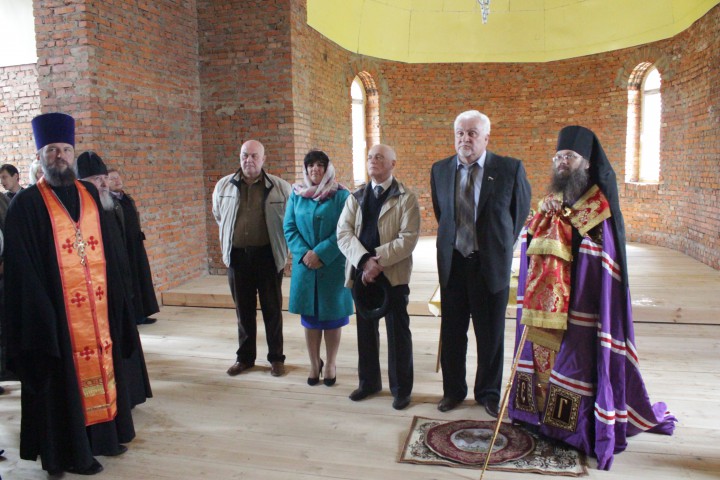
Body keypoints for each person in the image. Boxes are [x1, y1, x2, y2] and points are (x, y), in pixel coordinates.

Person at [508, 125, 677, 469]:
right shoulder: (552, 201)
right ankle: (536, 418)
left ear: (586, 163)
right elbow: (528, 239)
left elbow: (605, 256)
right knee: (541, 361)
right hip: (545, 307)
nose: (562, 162)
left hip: (581, 307)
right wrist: (539, 225)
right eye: (558, 157)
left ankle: (573, 431)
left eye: (569, 157)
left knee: (575, 365)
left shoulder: (598, 206)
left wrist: (568, 233)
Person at [4, 113, 137, 475]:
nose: (59, 156)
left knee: (105, 370)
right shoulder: (26, 205)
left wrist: (118, 297)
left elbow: (109, 248)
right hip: (57, 315)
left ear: (73, 153)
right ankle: (69, 454)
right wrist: (44, 313)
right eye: (52, 150)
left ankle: (105, 438)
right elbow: (21, 270)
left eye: (65, 149)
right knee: (61, 384)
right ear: (40, 156)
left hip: (98, 309)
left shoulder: (90, 195)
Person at [430, 110, 531, 416]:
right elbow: (443, 214)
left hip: (490, 265)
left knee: (490, 335)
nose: (465, 139)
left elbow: (518, 214)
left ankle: (488, 393)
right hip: (453, 264)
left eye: (472, 133)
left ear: (486, 137)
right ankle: (453, 391)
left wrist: (497, 246)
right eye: (460, 133)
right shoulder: (440, 170)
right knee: (452, 333)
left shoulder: (509, 168)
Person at [337, 144, 420, 410]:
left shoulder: (406, 198)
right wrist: (364, 262)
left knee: (398, 333)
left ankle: (401, 389)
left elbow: (408, 239)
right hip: (362, 274)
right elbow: (343, 233)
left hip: (392, 274)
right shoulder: (356, 196)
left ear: (393, 163)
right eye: (370, 157)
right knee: (365, 331)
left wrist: (377, 262)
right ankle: (369, 382)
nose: (373, 161)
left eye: (380, 157)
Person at [77, 152, 153, 408]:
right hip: (96, 298)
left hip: (119, 290)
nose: (102, 184)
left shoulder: (111, 208)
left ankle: (130, 396)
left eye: (103, 178)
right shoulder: (79, 215)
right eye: (95, 180)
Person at [212, 139, 291, 377]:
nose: (249, 160)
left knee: (272, 310)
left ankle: (276, 358)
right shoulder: (224, 186)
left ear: (263, 159)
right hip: (237, 257)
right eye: (245, 155)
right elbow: (219, 215)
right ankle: (245, 358)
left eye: (254, 156)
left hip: (268, 256)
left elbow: (289, 220)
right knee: (243, 311)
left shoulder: (280, 187)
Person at [284, 150, 353, 386]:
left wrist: (321, 253)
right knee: (310, 319)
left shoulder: (342, 195)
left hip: (332, 265)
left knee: (333, 318)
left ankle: (331, 363)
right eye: (311, 165)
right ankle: (314, 363)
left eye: (320, 165)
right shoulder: (296, 195)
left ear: (327, 168)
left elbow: (346, 229)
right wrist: (305, 253)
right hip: (306, 267)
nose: (315, 169)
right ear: (305, 169)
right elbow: (289, 228)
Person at [107, 168, 159, 325]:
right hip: (123, 247)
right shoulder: (109, 202)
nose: (117, 180)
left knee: (140, 278)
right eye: (112, 178)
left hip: (135, 245)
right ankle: (132, 317)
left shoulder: (127, 198)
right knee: (129, 282)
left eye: (118, 177)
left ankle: (141, 313)